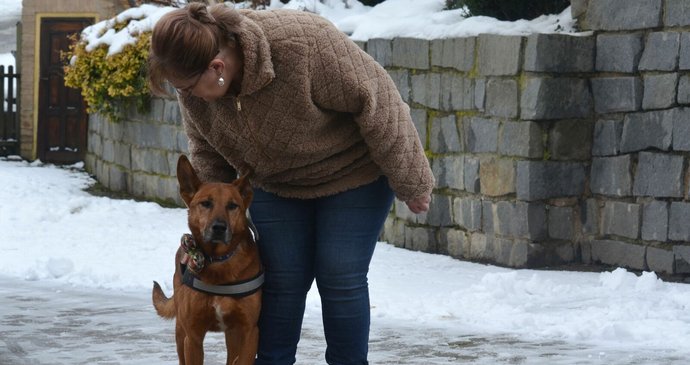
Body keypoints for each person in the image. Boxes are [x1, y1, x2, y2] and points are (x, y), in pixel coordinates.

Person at [148, 3, 434, 365]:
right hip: (278, 184)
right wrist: (209, 215)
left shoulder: (302, 45)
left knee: (339, 274)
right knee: (283, 279)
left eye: (188, 87)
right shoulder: (194, 89)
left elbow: (379, 101)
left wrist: (412, 179)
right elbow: (206, 148)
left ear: (217, 68)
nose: (187, 96)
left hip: (353, 173)